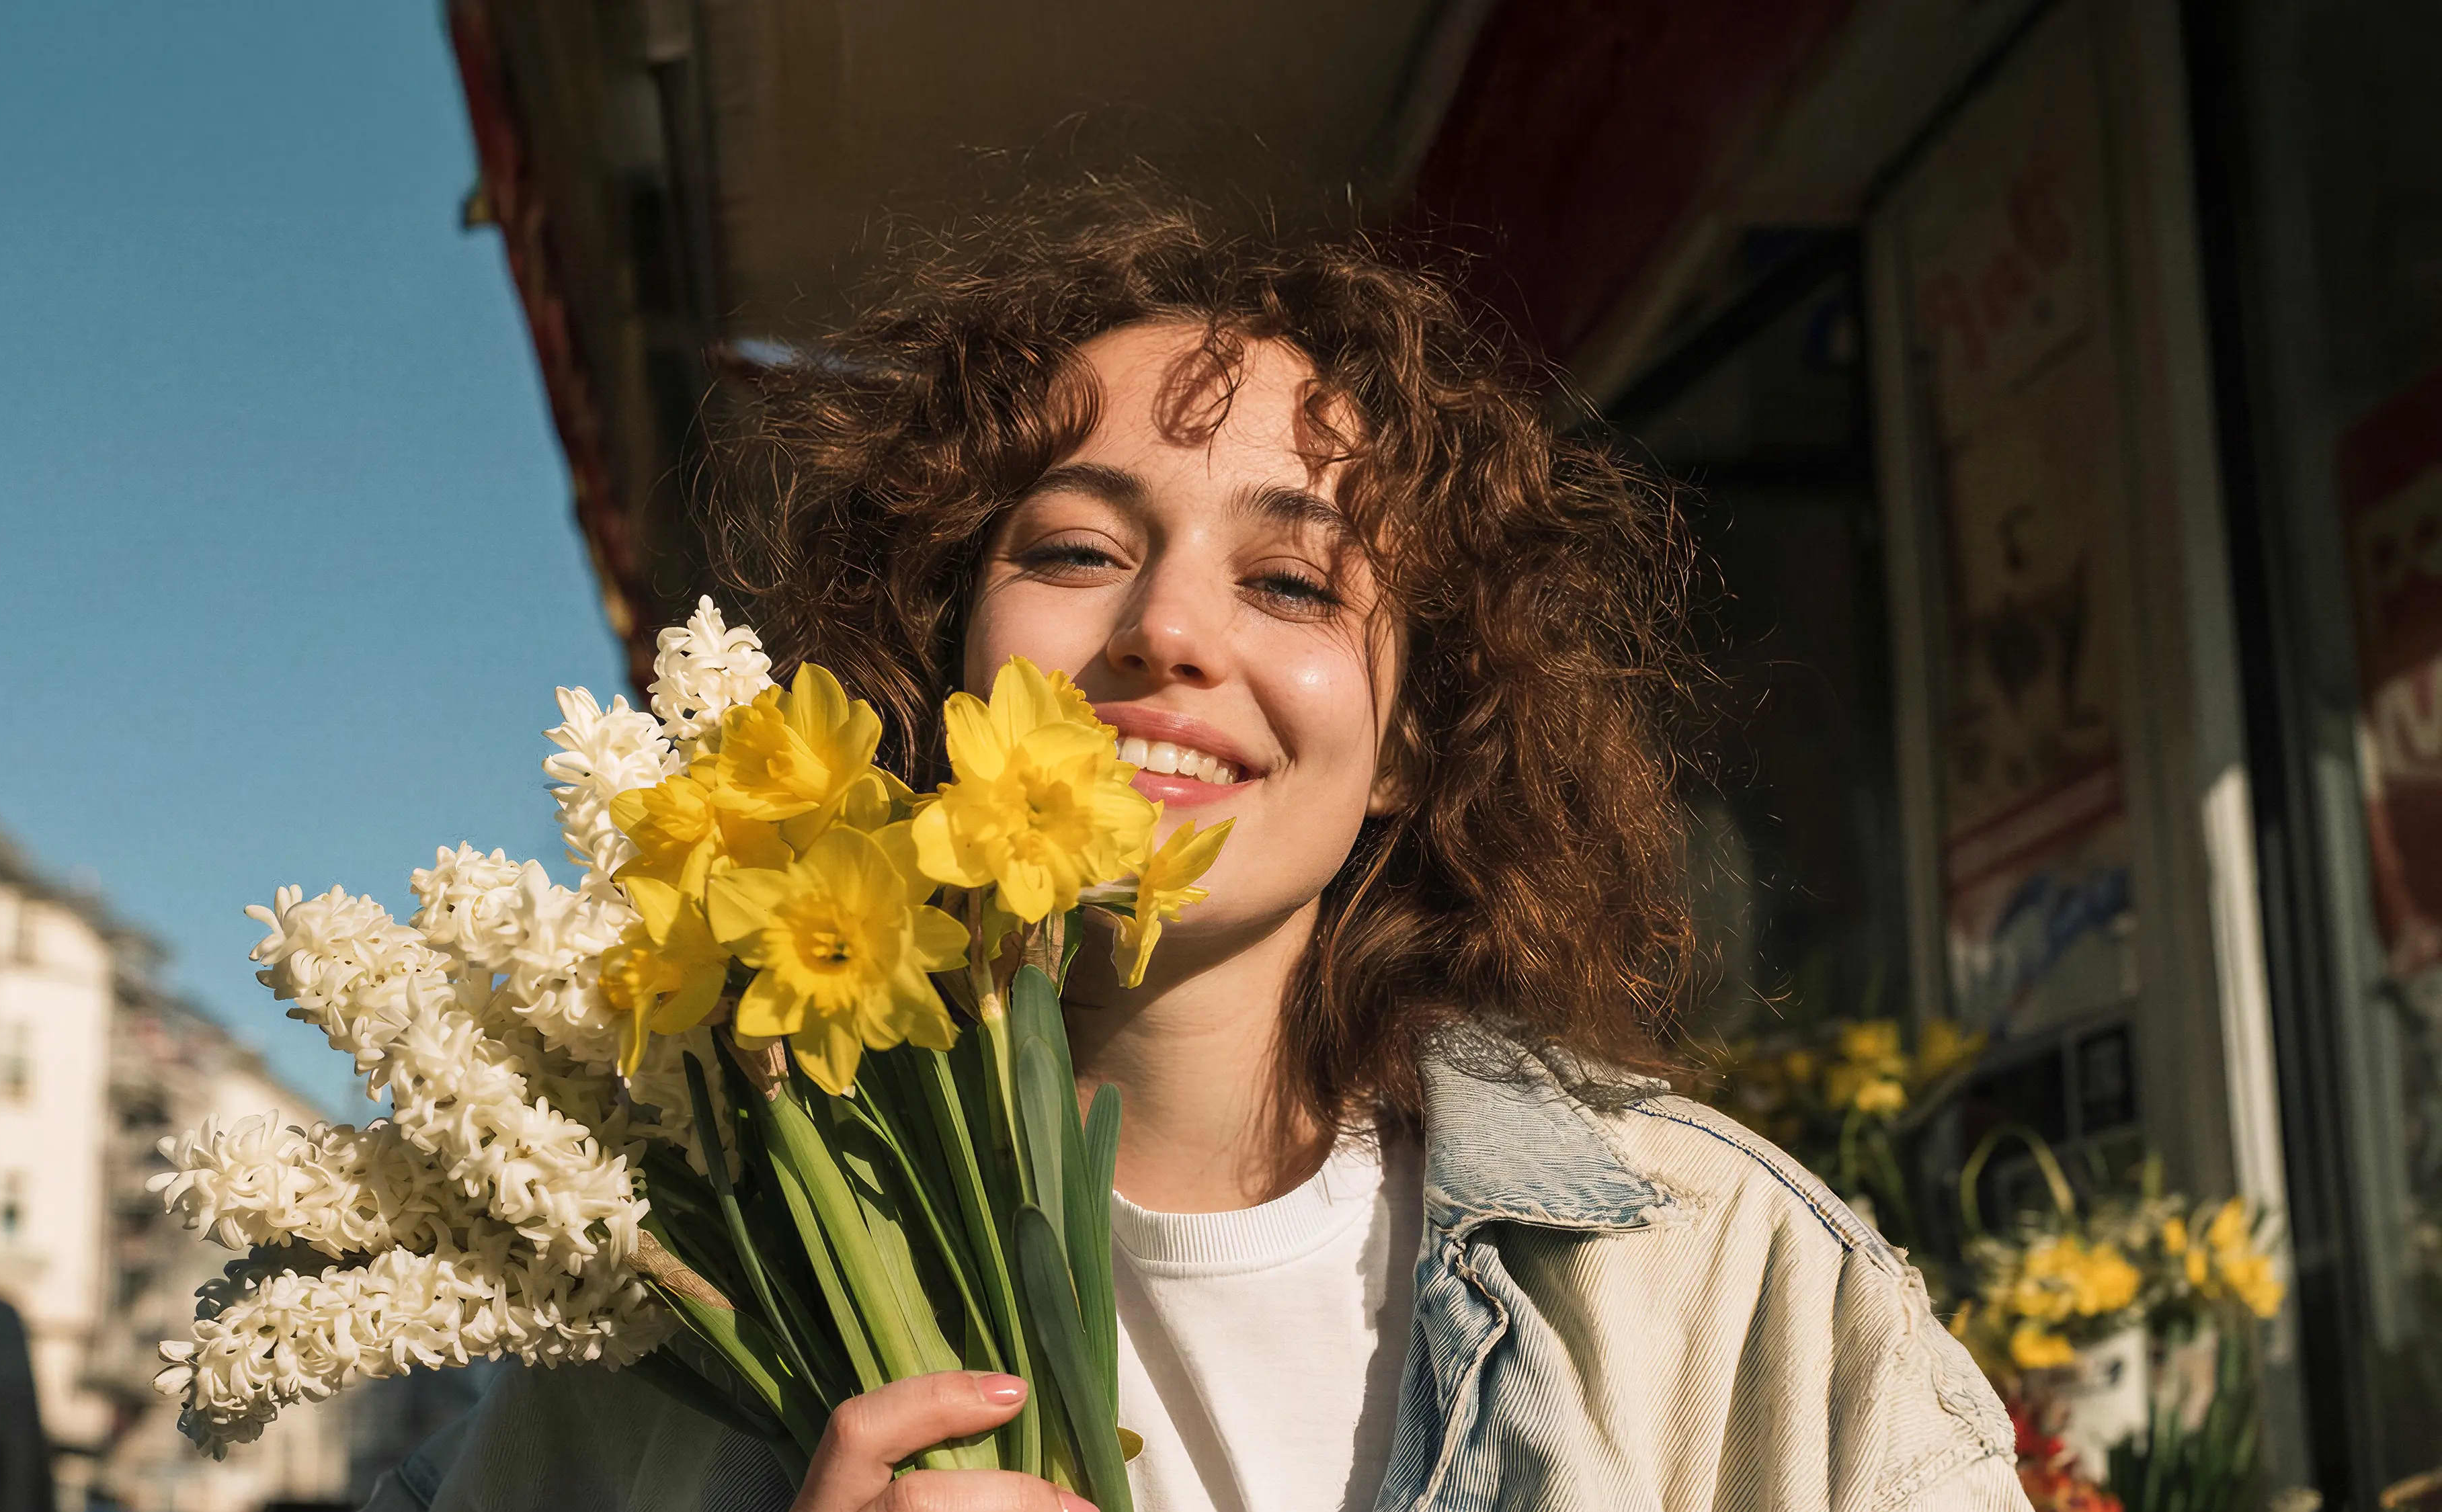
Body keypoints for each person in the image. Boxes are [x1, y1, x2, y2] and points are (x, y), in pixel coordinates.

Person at [366, 183, 2026, 1512]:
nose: (1163, 630)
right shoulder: (685, 1306)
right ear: (939, 657)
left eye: (1295, 583)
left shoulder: (1715, 1288)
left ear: (1411, 743)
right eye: (1077, 549)